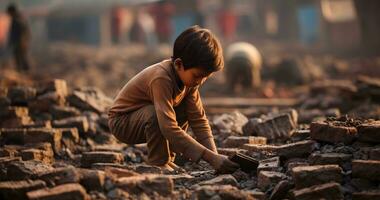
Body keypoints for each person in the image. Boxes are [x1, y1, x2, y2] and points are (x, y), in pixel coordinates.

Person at [108, 25, 239, 173]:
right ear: (178, 64)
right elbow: (168, 128)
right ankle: (158, 162)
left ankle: (167, 159)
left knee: (183, 111)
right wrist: (209, 157)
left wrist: (215, 156)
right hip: (122, 122)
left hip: (142, 117)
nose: (200, 81)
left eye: (205, 77)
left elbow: (199, 121)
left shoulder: (189, 82)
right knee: (157, 116)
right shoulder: (161, 78)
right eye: (197, 76)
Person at [6, 3, 31, 71]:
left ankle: (25, 72)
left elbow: (23, 31)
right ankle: (23, 72)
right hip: (18, 42)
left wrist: (23, 41)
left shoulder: (17, 20)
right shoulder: (17, 18)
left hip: (19, 42)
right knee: (20, 57)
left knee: (21, 58)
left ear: (12, 11)